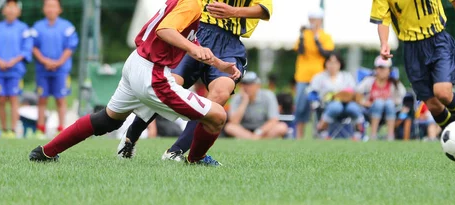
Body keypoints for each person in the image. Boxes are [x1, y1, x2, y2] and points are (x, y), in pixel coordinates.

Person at [28, 0, 241, 167]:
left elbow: (186, 35)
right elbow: (165, 30)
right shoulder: (193, 2)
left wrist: (219, 64)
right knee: (217, 117)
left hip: (137, 61)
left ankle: (44, 152)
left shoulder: (188, 2)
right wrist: (194, 50)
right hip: (152, 74)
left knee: (108, 120)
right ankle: (195, 161)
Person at [118, 0, 272, 162]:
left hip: (229, 42)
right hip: (196, 31)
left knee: (220, 93)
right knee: (169, 85)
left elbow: (264, 10)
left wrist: (233, 11)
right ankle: (131, 137)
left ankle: (176, 151)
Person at [370, 0, 455, 131]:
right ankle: (453, 135)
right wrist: (384, 42)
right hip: (412, 49)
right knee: (432, 105)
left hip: (437, 40)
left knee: (443, 93)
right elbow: (383, 19)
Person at [30, 0, 79, 135]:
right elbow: (33, 47)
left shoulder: (67, 27)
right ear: (43, 9)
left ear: (59, 9)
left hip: (61, 70)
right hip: (42, 70)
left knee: (61, 99)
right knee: (42, 99)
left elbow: (70, 47)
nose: (50, 9)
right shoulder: (37, 27)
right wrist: (45, 61)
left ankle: (61, 129)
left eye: (53, 6)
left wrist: (58, 62)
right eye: (48, 6)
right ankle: (40, 129)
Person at [0, 0, 32, 138]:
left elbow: (26, 49)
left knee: (13, 99)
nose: (11, 10)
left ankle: (13, 130)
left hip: (15, 71)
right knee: (1, 99)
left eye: (14, 7)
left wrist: (13, 61)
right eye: (8, 7)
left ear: (18, 11)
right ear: (3, 10)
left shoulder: (24, 28)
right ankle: (3, 129)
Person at [293, 7, 334, 139]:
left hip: (319, 77)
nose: (313, 22)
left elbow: (327, 53)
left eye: (315, 19)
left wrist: (317, 40)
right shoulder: (304, 34)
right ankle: (299, 137)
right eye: (311, 19)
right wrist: (301, 35)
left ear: (320, 20)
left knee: (320, 107)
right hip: (303, 76)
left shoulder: (325, 36)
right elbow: (299, 51)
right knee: (301, 107)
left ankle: (319, 134)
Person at [309, 53, 362, 139]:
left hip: (347, 104)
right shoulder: (319, 77)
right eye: (330, 62)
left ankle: (358, 131)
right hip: (326, 105)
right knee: (336, 106)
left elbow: (354, 90)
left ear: (340, 64)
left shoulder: (346, 76)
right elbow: (312, 93)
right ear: (325, 63)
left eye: (335, 62)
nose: (332, 65)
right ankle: (322, 129)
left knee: (353, 107)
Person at [224, 71, 288, 139]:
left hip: (263, 129)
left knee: (282, 127)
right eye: (245, 84)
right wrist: (244, 101)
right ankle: (255, 139)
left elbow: (273, 120)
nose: (247, 87)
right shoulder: (237, 98)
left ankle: (253, 139)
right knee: (229, 127)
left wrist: (259, 132)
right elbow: (234, 122)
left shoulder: (268, 96)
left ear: (258, 85)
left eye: (250, 84)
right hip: (244, 129)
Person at [357, 56, 405, 140]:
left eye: (384, 68)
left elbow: (403, 96)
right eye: (379, 68)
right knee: (379, 103)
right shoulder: (369, 81)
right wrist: (364, 102)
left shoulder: (394, 83)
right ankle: (373, 135)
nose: (381, 71)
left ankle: (390, 135)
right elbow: (356, 93)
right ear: (375, 69)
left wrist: (394, 102)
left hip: (390, 109)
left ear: (389, 70)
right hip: (370, 110)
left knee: (389, 103)